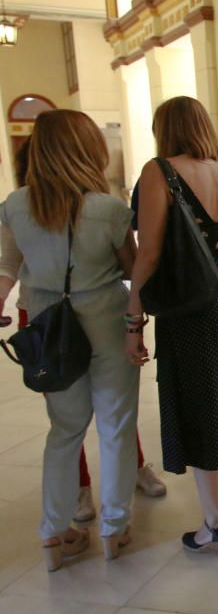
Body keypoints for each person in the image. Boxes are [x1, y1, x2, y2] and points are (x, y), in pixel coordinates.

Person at [0, 110, 139, 570]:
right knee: (115, 424)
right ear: (87, 149)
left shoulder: (16, 205)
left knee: (64, 429)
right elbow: (131, 270)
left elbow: (6, 266)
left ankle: (56, 533)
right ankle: (114, 530)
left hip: (48, 324)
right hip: (105, 318)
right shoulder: (110, 209)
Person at [126, 96, 218, 554]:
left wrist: (134, 310)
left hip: (193, 304)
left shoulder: (159, 171)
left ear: (163, 129)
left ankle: (213, 526)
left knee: (205, 405)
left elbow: (148, 252)